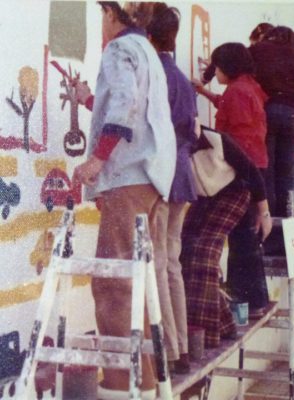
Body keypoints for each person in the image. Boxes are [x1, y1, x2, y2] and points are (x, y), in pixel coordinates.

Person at [72, 2, 176, 398]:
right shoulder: (146, 49)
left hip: (128, 176)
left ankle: (118, 388)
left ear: (112, 14)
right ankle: (143, 384)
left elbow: (125, 104)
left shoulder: (118, 48)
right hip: (149, 176)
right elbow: (131, 105)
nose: (101, 22)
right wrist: (89, 100)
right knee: (131, 284)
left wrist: (98, 159)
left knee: (112, 284)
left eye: (102, 13)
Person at [192, 42, 270, 318]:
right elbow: (228, 106)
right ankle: (253, 300)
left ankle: (250, 301)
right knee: (245, 237)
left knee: (242, 239)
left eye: (217, 67)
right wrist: (205, 92)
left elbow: (240, 140)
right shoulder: (248, 87)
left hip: (242, 170)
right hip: (254, 167)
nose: (214, 72)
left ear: (228, 67)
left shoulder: (237, 92)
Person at [180, 131, 272, 348]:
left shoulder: (216, 139)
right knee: (183, 250)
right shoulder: (170, 144)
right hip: (203, 198)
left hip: (235, 192)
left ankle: (208, 333)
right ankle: (223, 324)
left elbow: (252, 172)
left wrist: (264, 213)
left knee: (204, 254)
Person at [147, 4, 198, 374]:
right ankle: (180, 345)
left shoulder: (154, 74)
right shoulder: (180, 77)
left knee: (160, 263)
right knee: (172, 265)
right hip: (182, 175)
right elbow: (192, 133)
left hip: (162, 178)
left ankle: (170, 349)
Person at [250, 26, 294, 217]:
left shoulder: (257, 49)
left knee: (268, 170)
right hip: (291, 116)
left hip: (267, 112)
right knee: (286, 172)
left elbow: (230, 56)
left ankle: (269, 222)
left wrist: (206, 76)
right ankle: (287, 221)